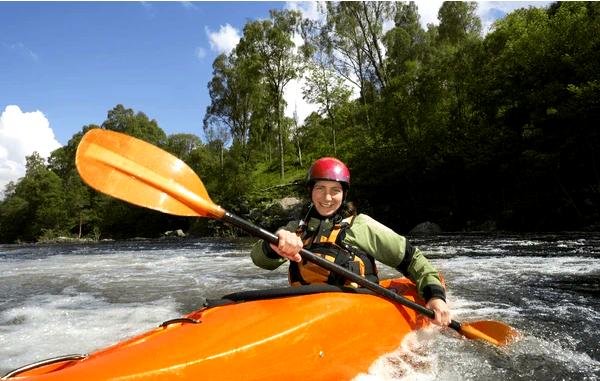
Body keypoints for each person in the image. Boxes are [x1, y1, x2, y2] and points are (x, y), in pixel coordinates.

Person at [251, 157, 451, 326]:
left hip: (356, 314)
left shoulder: (361, 226)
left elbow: (412, 259)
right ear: (311, 191)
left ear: (344, 194)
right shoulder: (297, 228)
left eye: (335, 190)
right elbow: (259, 259)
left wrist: (435, 296)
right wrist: (274, 243)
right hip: (305, 312)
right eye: (320, 188)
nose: (327, 197)